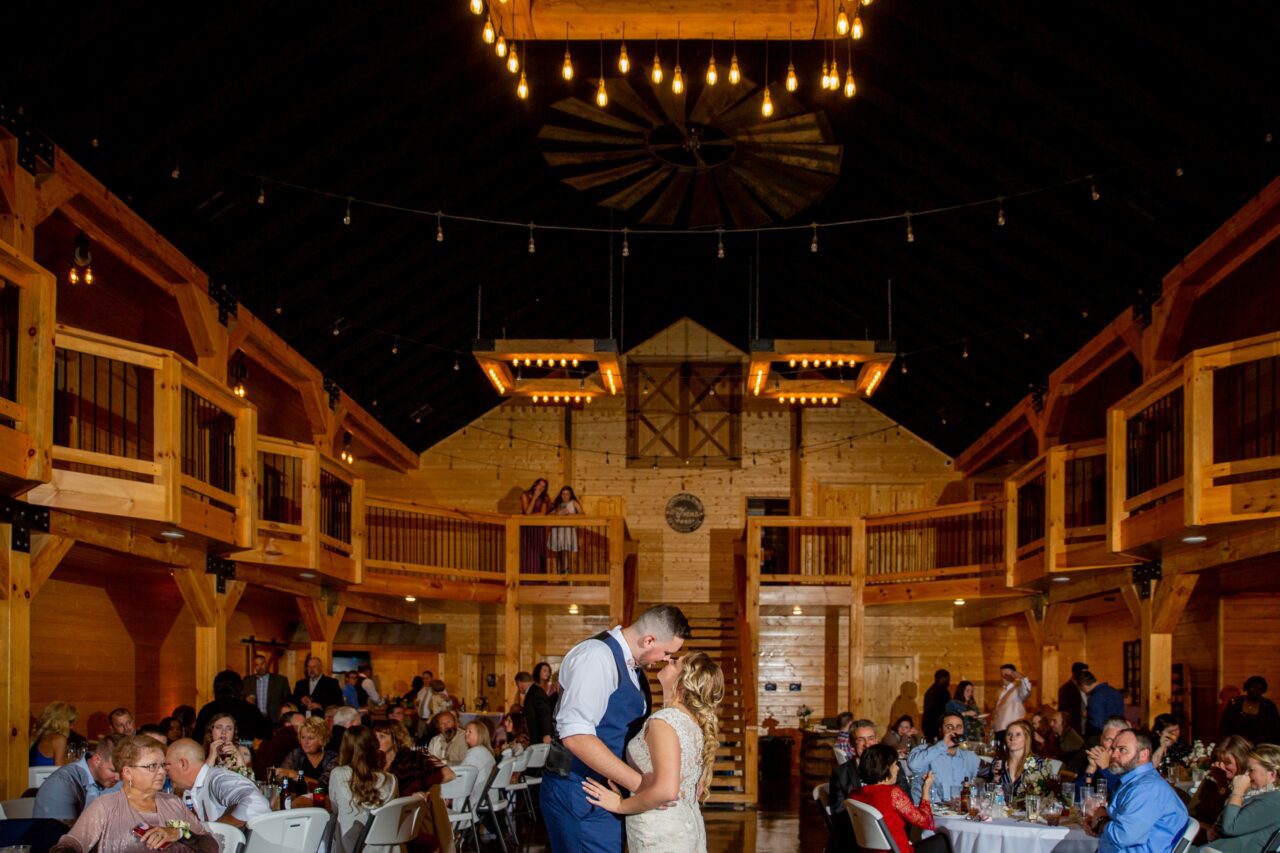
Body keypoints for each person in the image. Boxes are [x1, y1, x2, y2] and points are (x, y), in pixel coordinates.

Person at [543, 604, 691, 853]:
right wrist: (640, 784)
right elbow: (576, 736)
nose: (666, 659)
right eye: (666, 652)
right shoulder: (597, 657)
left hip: (607, 789)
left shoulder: (633, 665)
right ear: (649, 640)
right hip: (579, 789)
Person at [583, 652, 724, 853]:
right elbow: (695, 789)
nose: (667, 660)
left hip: (660, 832)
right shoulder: (693, 724)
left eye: (675, 662)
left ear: (683, 683)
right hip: (685, 826)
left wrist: (620, 805)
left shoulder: (664, 722)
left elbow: (667, 791)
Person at [50, 735, 217, 853]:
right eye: (152, 766)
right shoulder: (105, 806)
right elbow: (73, 843)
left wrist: (179, 833)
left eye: (163, 765)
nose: (161, 772)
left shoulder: (173, 803)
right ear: (128, 772)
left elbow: (211, 846)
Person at [1083, 729, 1188, 853]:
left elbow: (1124, 836)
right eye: (1113, 749)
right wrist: (1102, 817)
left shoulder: (1146, 788)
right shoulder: (1133, 782)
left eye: (1122, 750)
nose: (1114, 755)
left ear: (1143, 755)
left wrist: (1101, 821)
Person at [850, 744, 954, 853]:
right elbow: (925, 821)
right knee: (943, 839)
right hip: (897, 851)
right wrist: (926, 788)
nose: (898, 768)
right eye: (895, 765)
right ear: (885, 767)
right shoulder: (892, 793)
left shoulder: (855, 794)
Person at [827, 718, 910, 850]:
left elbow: (906, 800)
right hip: (856, 840)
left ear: (876, 740)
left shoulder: (894, 767)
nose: (867, 744)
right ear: (852, 743)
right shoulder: (841, 773)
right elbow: (839, 814)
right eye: (861, 739)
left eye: (871, 738)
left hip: (890, 835)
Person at [327, 726, 400, 853]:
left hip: (351, 845)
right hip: (386, 846)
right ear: (374, 747)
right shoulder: (391, 780)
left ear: (345, 749)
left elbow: (335, 809)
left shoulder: (338, 774)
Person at [166, 739, 270, 826]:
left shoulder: (217, 779)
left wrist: (215, 829)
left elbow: (257, 803)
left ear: (183, 764)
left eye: (167, 766)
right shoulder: (191, 788)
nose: (164, 772)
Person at [1199, 742, 1280, 852]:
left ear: (1272, 774)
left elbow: (1230, 827)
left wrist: (1238, 791)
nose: (1246, 774)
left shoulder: (1273, 802)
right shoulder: (1265, 796)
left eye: (1251, 770)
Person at [34, 734, 122, 821]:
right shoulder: (60, 785)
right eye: (113, 771)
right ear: (97, 760)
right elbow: (59, 832)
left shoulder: (118, 781)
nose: (118, 778)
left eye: (121, 771)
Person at [907, 713, 979, 804]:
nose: (954, 731)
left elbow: (984, 775)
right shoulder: (924, 750)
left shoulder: (970, 757)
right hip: (929, 813)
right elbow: (913, 765)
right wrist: (943, 745)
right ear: (940, 730)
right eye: (949, 727)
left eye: (958, 727)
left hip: (958, 812)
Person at [1192, 735, 1253, 840]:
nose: (1221, 766)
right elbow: (1191, 814)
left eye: (1227, 763)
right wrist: (1206, 828)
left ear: (1242, 761)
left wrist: (1222, 786)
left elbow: (1230, 822)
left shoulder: (1252, 786)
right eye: (1218, 761)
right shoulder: (1210, 782)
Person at [373, 719, 454, 795]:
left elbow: (448, 773)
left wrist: (419, 784)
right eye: (374, 736)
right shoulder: (375, 761)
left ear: (395, 738)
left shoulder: (414, 756)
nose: (376, 740)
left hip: (409, 806)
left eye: (381, 736)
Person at [194, 670, 269, 743]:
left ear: (216, 688)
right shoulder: (251, 710)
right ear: (239, 687)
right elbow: (265, 736)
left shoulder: (207, 710)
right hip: (244, 753)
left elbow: (197, 739)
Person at [979, 719, 1036, 800]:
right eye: (1009, 734)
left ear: (1027, 738)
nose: (1012, 738)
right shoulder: (998, 763)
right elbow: (987, 797)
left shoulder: (1037, 764)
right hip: (1001, 811)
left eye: (1018, 734)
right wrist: (995, 778)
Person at [279, 715, 338, 789]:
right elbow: (281, 777)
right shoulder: (297, 753)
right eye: (303, 737)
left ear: (322, 739)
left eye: (310, 738)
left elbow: (322, 786)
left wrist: (295, 775)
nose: (305, 742)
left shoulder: (332, 758)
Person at [1219, 676, 1280, 746]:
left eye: (1260, 689)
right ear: (1247, 687)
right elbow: (1225, 727)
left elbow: (1275, 730)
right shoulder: (1235, 703)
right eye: (1253, 687)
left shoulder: (1268, 705)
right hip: (1237, 745)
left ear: (1263, 691)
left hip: (1260, 746)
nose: (1256, 691)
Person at [201, 712, 255, 780]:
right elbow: (201, 781)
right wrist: (211, 757)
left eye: (229, 728)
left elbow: (247, 783)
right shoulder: (201, 752)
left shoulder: (243, 751)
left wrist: (238, 756)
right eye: (219, 728)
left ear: (234, 733)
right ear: (211, 731)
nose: (224, 732)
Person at [254, 710, 303, 779]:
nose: (305, 728)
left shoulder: (269, 740)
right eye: (301, 725)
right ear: (288, 726)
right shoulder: (290, 737)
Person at [459, 720, 497, 809]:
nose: (466, 734)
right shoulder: (483, 751)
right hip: (487, 795)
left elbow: (462, 776)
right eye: (466, 731)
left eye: (470, 732)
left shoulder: (476, 752)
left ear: (480, 735)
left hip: (478, 798)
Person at [243, 653, 290, 723]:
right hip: (253, 720)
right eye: (257, 665)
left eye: (262, 664)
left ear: (266, 664)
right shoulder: (247, 681)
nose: (260, 667)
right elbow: (241, 700)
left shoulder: (280, 681)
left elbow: (288, 700)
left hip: (275, 720)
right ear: (254, 667)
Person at [547, 485, 584, 573]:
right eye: (563, 494)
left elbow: (582, 514)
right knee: (558, 551)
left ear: (570, 495)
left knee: (566, 551)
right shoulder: (557, 504)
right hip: (557, 530)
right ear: (561, 495)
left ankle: (566, 570)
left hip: (568, 530)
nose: (565, 496)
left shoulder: (574, 502)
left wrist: (569, 515)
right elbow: (548, 515)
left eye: (567, 494)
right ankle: (560, 571)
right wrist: (558, 513)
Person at [30, 701, 78, 766]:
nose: (72, 727)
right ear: (62, 722)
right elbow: (60, 771)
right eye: (71, 723)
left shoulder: (39, 736)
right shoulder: (59, 739)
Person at [992, 663, 1031, 743]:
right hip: (998, 732)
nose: (1003, 677)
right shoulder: (1000, 692)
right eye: (1002, 674)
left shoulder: (1017, 690)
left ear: (1013, 674)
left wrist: (1022, 678)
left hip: (1012, 732)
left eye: (1006, 674)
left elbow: (1026, 692)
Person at [1081, 672, 1127, 738]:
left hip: (1101, 736)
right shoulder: (1115, 692)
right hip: (1118, 733)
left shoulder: (1095, 697)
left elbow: (1096, 724)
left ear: (1084, 686)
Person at [521, 477, 551, 572]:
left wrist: (530, 517)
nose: (541, 487)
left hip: (539, 528)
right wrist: (534, 497)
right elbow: (527, 512)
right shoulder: (525, 495)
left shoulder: (545, 498)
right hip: (527, 529)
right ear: (535, 485)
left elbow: (542, 513)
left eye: (543, 486)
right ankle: (526, 580)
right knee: (528, 553)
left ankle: (539, 580)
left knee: (538, 553)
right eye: (539, 484)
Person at [524, 663, 557, 745]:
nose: (547, 673)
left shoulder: (552, 689)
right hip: (537, 727)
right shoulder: (534, 689)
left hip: (550, 727)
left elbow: (546, 712)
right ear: (538, 672)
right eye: (545, 670)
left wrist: (547, 732)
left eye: (549, 671)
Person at [1059, 662, 1090, 740]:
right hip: (1074, 728)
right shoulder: (1066, 689)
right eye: (1083, 673)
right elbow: (1063, 709)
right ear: (1075, 673)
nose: (1085, 675)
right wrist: (1080, 712)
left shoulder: (1086, 686)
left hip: (1087, 726)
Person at [922, 669, 952, 743]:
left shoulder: (941, 691)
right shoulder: (936, 692)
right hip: (934, 726)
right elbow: (933, 712)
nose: (948, 682)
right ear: (941, 679)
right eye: (947, 679)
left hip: (935, 725)